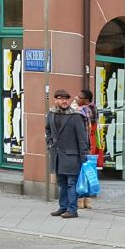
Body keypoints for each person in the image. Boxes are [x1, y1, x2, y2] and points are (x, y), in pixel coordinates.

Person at [45, 89, 88, 219]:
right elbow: (47, 130)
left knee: (71, 183)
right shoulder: (51, 114)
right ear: (56, 100)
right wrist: (49, 143)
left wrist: (83, 155)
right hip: (57, 156)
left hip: (72, 156)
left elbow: (82, 137)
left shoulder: (75, 116)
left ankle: (72, 210)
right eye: (61, 99)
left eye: (66, 99)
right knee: (61, 183)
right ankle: (63, 207)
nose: (64, 101)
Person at [75, 89, 98, 209]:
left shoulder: (82, 110)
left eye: (79, 97)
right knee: (89, 171)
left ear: (86, 100)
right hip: (92, 144)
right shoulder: (94, 108)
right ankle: (88, 200)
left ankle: (80, 199)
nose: (76, 98)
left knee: (80, 172)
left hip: (84, 144)